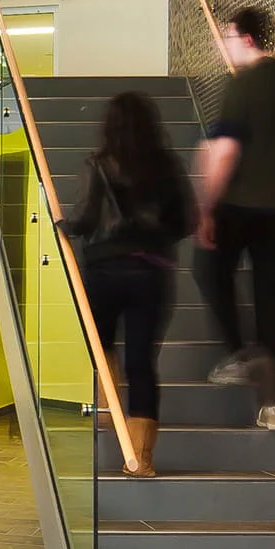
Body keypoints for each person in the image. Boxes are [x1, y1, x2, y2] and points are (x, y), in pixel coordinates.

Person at [196, 6, 275, 433]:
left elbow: (226, 152)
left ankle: (241, 355)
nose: (226, 45)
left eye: (229, 37)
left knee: (209, 268)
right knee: (274, 300)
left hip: (238, 205)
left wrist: (207, 208)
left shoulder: (243, 84)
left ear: (247, 38)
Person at [60, 92, 194, 476]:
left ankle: (107, 404)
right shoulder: (167, 165)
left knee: (101, 346)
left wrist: (63, 226)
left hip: (105, 270)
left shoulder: (99, 164)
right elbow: (185, 221)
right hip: (151, 273)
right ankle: (141, 457)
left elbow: (85, 218)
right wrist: (154, 239)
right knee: (141, 362)